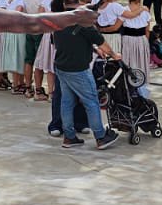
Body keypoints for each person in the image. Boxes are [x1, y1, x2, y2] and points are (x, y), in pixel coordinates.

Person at [50, 8, 120, 150]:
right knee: (91, 101)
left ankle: (69, 136)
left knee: (67, 102)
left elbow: (71, 41)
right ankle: (101, 137)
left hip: (62, 67)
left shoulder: (60, 22)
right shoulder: (86, 26)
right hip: (79, 70)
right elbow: (103, 44)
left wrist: (94, 49)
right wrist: (114, 55)